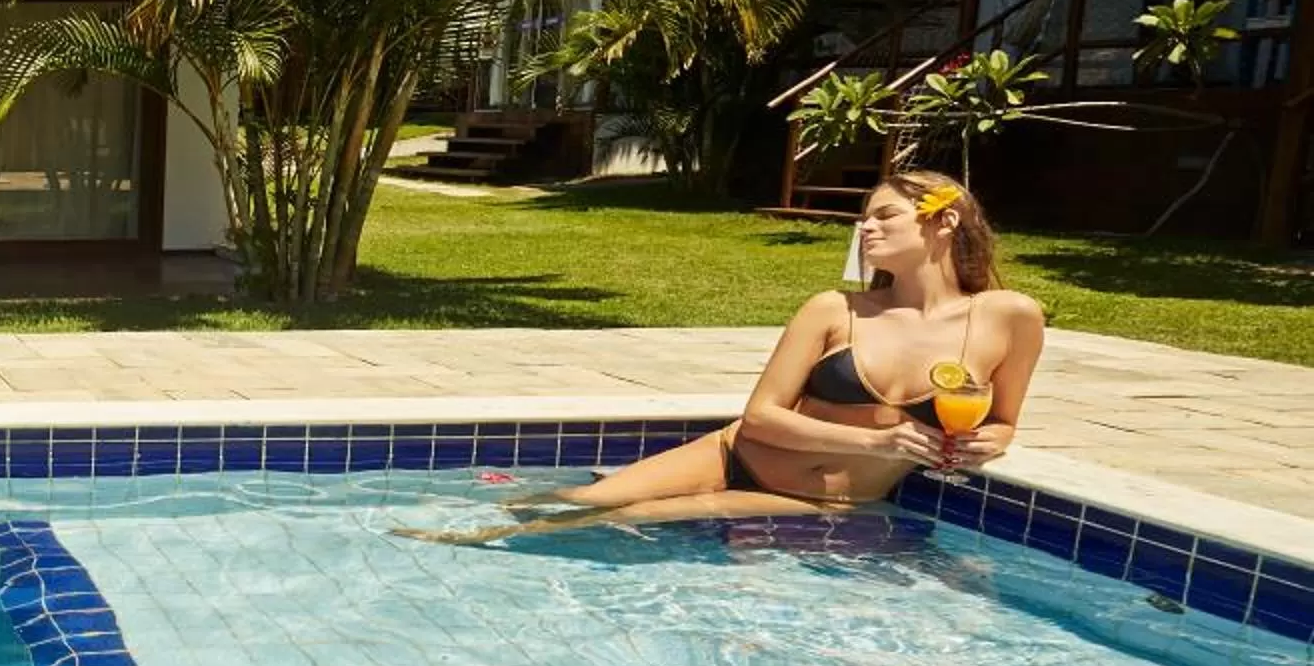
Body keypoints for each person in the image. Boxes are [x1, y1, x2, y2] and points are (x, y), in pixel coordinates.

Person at [407, 169, 1046, 543]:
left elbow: (1004, 420)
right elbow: (762, 416)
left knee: (633, 517)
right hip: (734, 450)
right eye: (863, 219)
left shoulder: (1011, 318)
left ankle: (474, 544)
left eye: (884, 216)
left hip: (822, 501)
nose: (866, 229)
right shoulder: (834, 309)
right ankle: (461, 521)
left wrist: (992, 439)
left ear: (945, 222)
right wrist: (881, 444)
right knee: (580, 498)